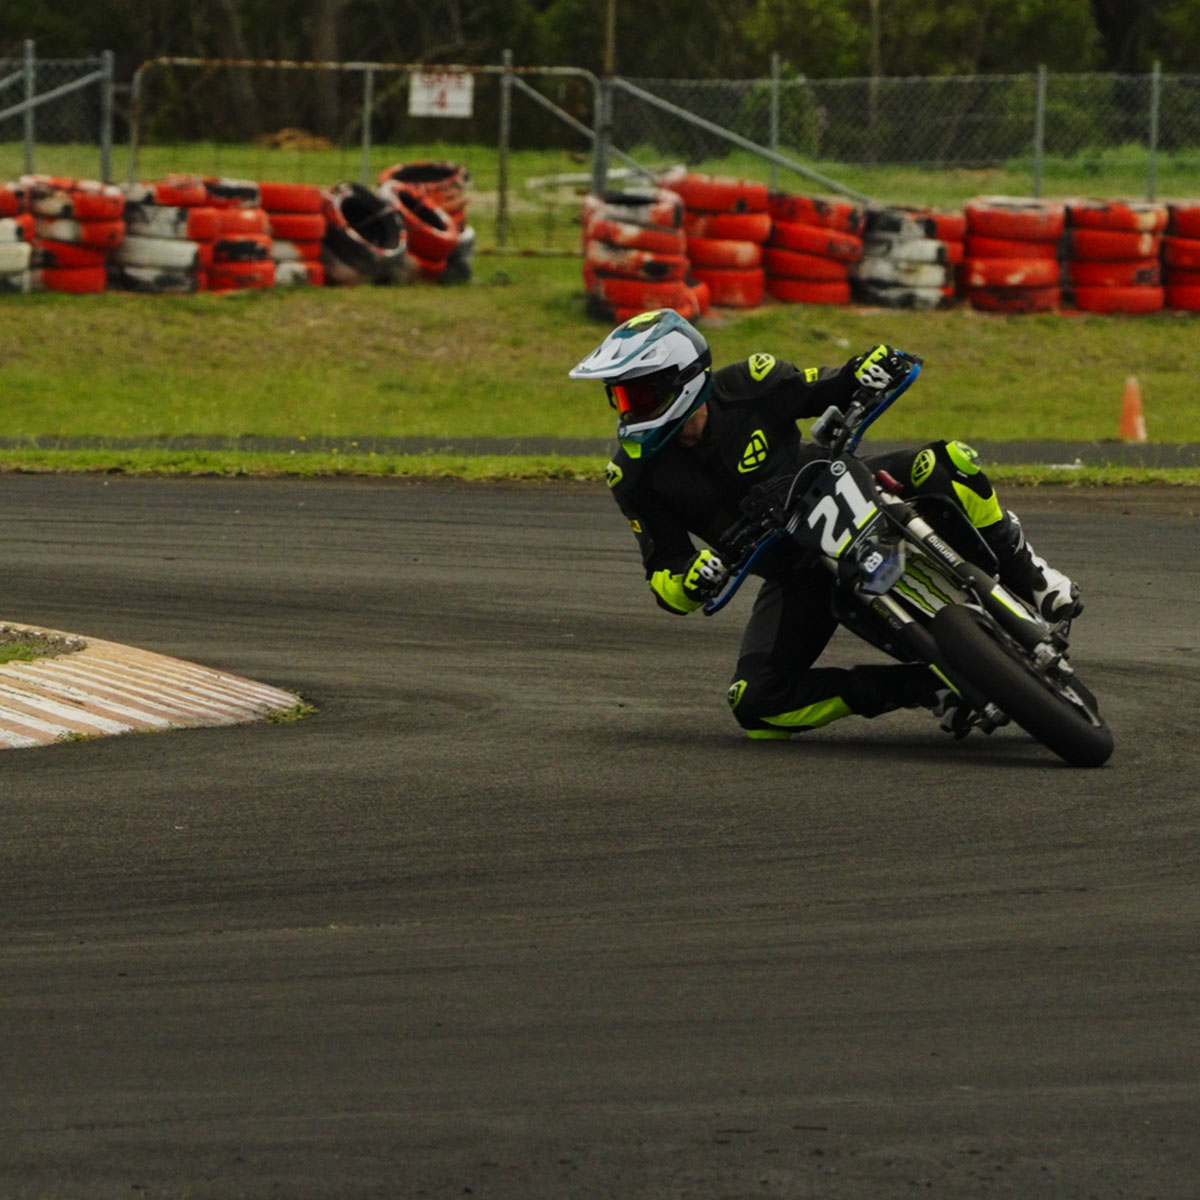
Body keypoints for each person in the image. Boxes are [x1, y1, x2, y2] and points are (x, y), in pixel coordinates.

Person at [568, 308, 1083, 740]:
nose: (626, 410)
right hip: (796, 570)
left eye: (636, 395)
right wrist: (690, 579)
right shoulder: (633, 476)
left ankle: (1031, 578)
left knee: (948, 461)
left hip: (855, 491)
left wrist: (868, 369)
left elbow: (833, 384)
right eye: (618, 397)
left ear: (680, 381)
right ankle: (924, 687)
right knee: (756, 704)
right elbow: (665, 569)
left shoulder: (752, 382)